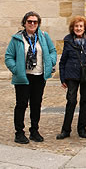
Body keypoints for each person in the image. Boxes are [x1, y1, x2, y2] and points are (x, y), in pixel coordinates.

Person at [5, 11, 57, 144]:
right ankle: (19, 132)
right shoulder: (17, 38)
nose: (32, 24)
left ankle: (34, 130)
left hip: (39, 76)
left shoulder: (44, 37)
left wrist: (50, 62)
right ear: (24, 23)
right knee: (21, 105)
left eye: (35, 22)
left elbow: (52, 51)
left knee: (36, 104)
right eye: (30, 21)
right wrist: (16, 69)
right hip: (23, 77)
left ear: (38, 23)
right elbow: (9, 56)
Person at [57, 16, 86, 139]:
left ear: (85, 27)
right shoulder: (68, 40)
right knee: (71, 101)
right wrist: (62, 78)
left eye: (81, 26)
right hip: (72, 75)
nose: (78, 28)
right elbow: (63, 60)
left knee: (85, 101)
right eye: (76, 26)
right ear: (72, 28)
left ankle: (82, 128)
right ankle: (66, 130)